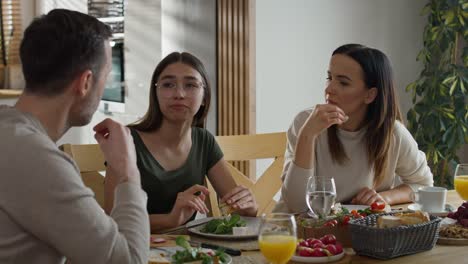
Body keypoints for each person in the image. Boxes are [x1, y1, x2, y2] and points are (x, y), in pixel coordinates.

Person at [0, 9, 149, 263]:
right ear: (86, 82)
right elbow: (128, 260)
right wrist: (127, 171)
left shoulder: (10, 132)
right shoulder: (37, 159)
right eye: (107, 77)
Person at [104, 52, 258, 231]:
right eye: (168, 84)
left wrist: (249, 209)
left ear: (204, 98)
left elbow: (235, 208)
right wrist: (169, 220)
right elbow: (112, 219)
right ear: (156, 93)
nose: (179, 94)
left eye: (190, 85)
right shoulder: (126, 140)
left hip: (186, 251)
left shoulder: (204, 141)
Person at [275, 44, 433, 213]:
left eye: (343, 82)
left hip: (358, 234)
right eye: (330, 78)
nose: (329, 89)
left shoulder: (393, 133)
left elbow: (423, 185)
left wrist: (384, 197)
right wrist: (307, 135)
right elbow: (296, 205)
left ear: (370, 95)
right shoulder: (306, 123)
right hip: (297, 233)